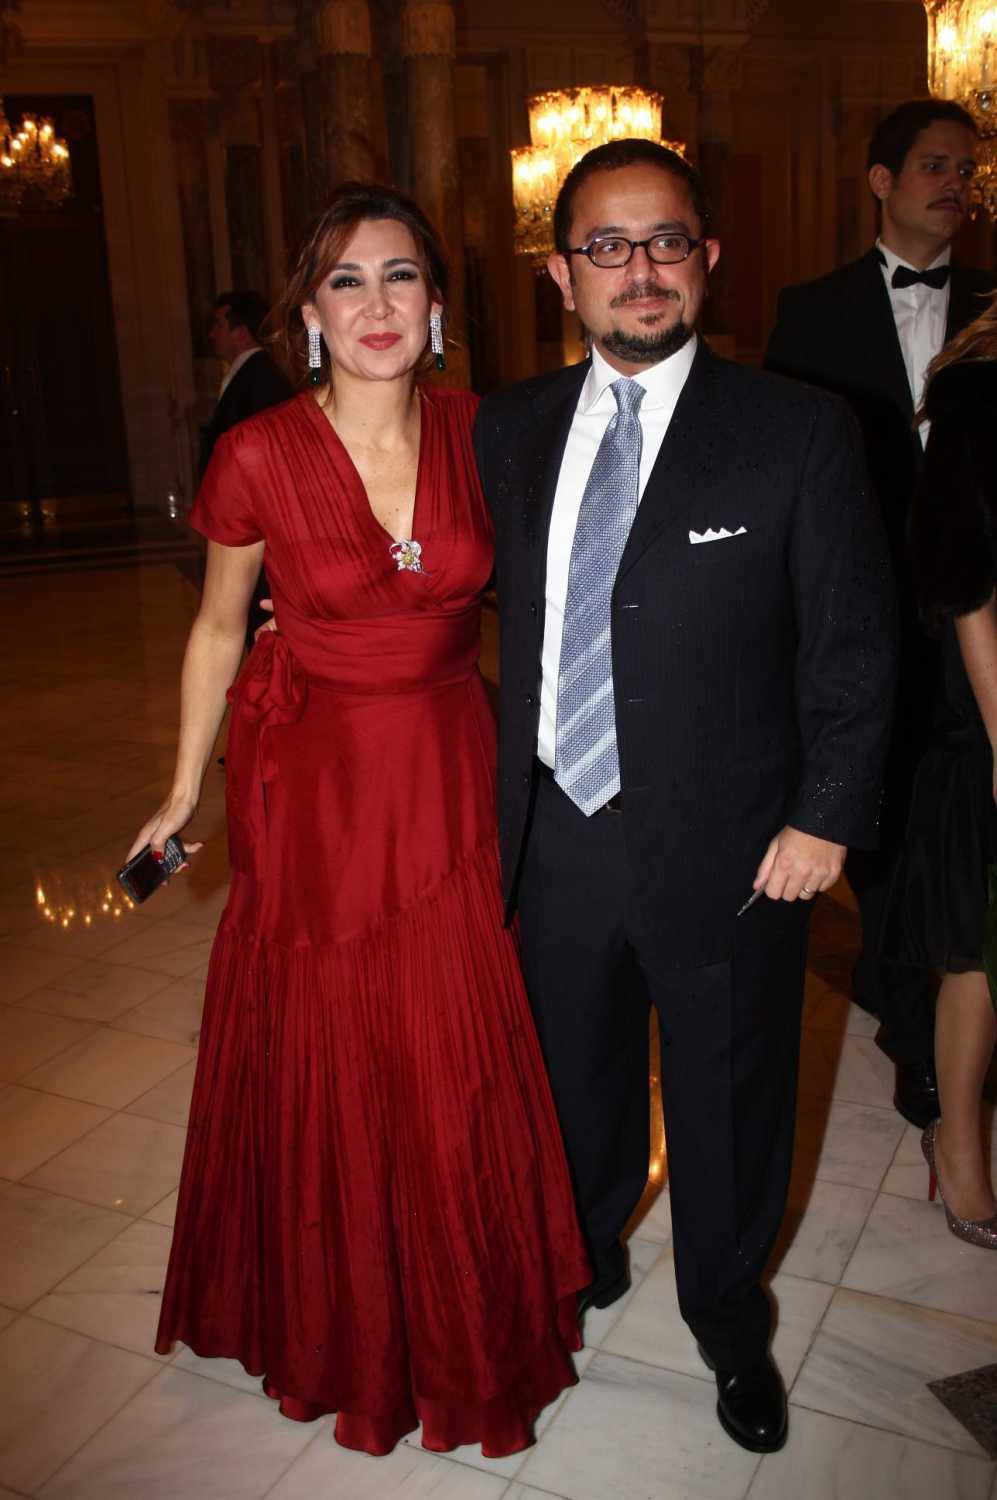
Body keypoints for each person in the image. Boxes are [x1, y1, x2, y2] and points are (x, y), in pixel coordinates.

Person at [126, 182, 589, 1458]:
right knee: (337, 1033)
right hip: (320, 783)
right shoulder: (258, 452)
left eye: (400, 276)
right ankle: (344, 1319)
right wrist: (181, 787)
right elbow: (218, 626)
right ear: (309, 313)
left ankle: (466, 1308)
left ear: (437, 304)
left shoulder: (487, 432)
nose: (375, 304)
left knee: (454, 1039)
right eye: (346, 280)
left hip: (453, 762)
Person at [474, 139, 897, 1455]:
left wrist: (825, 815)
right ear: (561, 275)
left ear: (707, 259)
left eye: (665, 242)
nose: (639, 269)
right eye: (607, 246)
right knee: (571, 1080)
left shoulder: (795, 429)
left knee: (726, 1100)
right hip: (554, 833)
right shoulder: (505, 427)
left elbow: (853, 643)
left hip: (735, 848)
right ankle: (584, 1256)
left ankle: (725, 1319)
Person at [765, 99, 997, 1131]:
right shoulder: (811, 311)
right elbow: (788, 483)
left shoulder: (993, 306)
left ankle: (937, 1038)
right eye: (934, 166)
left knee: (957, 837)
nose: (955, 186)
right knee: (883, 838)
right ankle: (912, 1029)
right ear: (880, 180)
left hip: (977, 624)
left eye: (966, 171)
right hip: (864, 619)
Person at [880, 291, 997, 1249]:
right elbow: (962, 584)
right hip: (991, 706)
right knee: (981, 947)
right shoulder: (977, 393)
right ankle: (957, 1146)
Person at [202, 289, 294, 647]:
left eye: (218, 325)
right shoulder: (247, 376)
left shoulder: (262, 379)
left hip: (258, 534)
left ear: (241, 332)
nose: (212, 334)